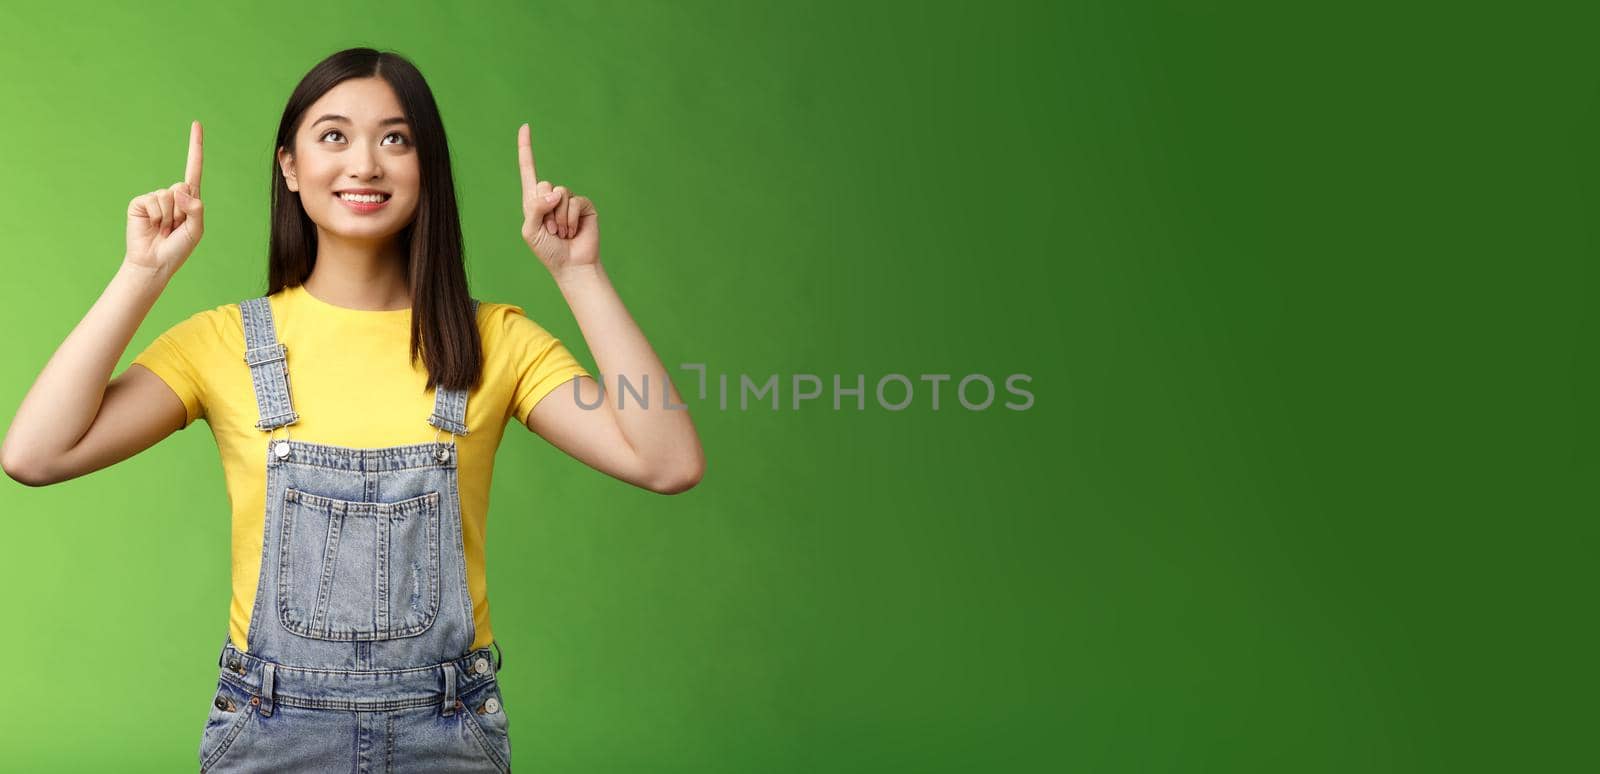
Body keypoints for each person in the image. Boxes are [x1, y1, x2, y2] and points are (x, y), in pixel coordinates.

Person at [0, 47, 704, 772]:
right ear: (290, 167)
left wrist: (579, 274)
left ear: (426, 167)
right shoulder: (225, 343)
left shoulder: (494, 341)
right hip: (270, 735)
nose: (365, 163)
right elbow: (35, 454)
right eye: (333, 136)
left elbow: (668, 461)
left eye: (395, 139)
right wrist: (142, 274)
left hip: (449, 735)